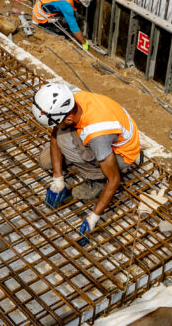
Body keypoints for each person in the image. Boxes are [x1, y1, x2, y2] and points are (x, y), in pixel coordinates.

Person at [31, 83, 141, 240]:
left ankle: (97, 181)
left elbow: (114, 180)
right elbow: (56, 131)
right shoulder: (71, 100)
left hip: (122, 154)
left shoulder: (97, 136)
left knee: (64, 142)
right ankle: (75, 158)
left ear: (68, 119)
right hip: (105, 132)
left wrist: (93, 218)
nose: (55, 127)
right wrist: (57, 178)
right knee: (47, 160)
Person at [32, 0, 121, 50]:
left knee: (74, 15)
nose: (80, 3)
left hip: (41, 6)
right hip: (41, 18)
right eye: (80, 2)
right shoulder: (65, 4)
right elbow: (74, 27)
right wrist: (84, 43)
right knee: (73, 19)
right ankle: (49, 29)